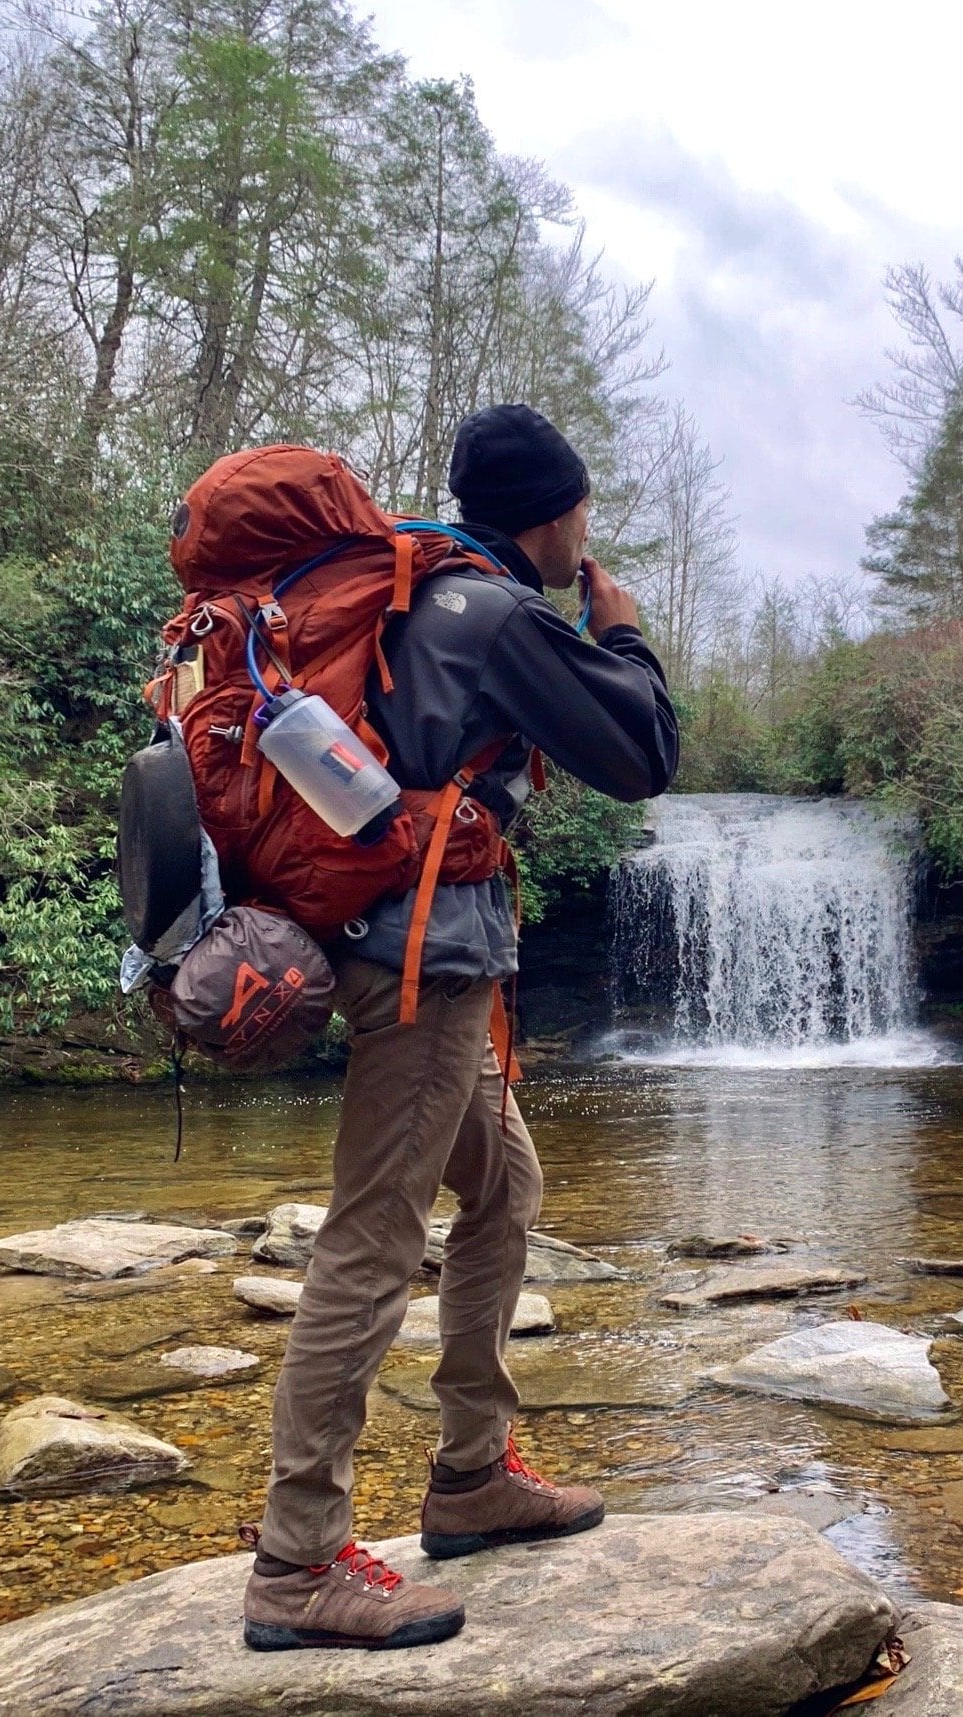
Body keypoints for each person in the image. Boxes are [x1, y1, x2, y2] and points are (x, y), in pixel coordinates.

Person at [240, 404, 679, 1652]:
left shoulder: (417, 587)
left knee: (505, 1189)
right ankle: (298, 1561)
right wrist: (622, 622)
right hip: (425, 964)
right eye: (582, 513)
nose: (587, 532)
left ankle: (474, 1475)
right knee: (373, 1240)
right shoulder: (490, 611)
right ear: (554, 514)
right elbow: (644, 752)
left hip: (417, 952)